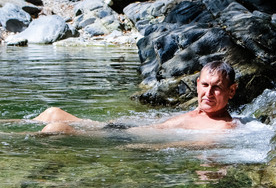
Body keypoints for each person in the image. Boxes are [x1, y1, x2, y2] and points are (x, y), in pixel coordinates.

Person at [33, 61, 238, 133]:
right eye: (205, 85)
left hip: (127, 139)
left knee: (55, 129)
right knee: (52, 113)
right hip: (126, 128)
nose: (208, 93)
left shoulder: (222, 127)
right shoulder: (200, 111)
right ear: (197, 84)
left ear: (231, 90)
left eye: (217, 88)